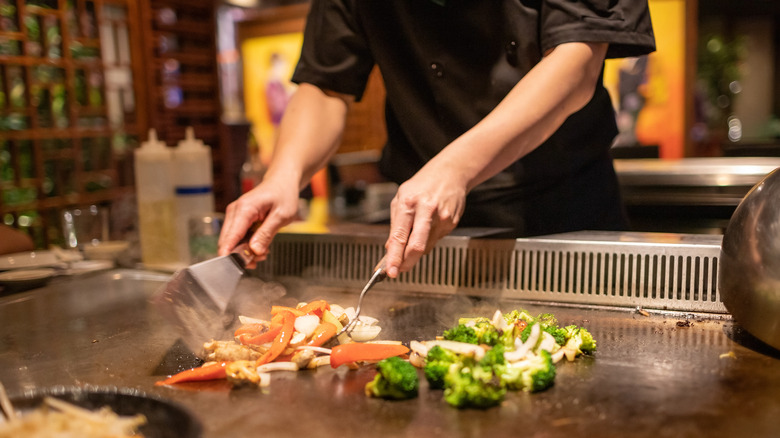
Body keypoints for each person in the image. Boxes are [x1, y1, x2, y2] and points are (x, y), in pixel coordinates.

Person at [219, 1, 656, 279]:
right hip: (428, 228)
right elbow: (325, 83)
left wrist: (455, 167)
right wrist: (283, 175)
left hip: (567, 212)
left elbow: (576, 60)